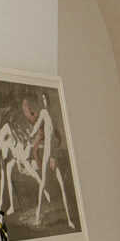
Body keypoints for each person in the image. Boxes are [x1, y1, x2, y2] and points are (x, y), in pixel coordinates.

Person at [25, 92, 75, 229]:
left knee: (63, 185)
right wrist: (31, 134)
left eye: (45, 98)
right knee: (44, 183)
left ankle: (70, 220)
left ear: (48, 99)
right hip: (47, 153)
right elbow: (37, 127)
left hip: (54, 154)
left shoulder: (53, 114)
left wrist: (59, 141)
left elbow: (57, 131)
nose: (44, 100)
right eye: (42, 99)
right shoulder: (43, 112)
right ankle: (37, 215)